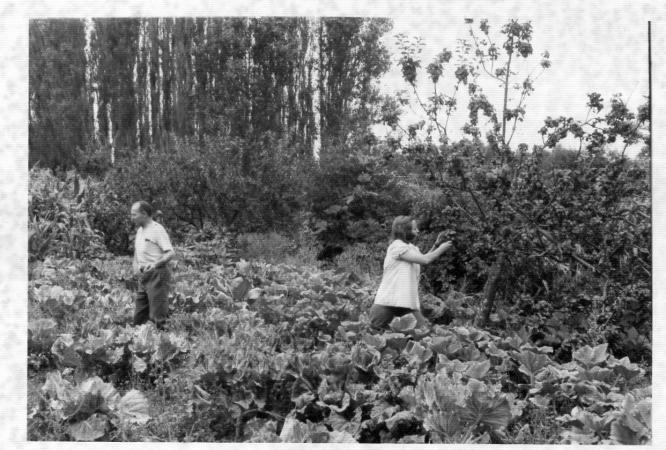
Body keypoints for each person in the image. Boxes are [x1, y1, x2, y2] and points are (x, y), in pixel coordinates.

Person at [369, 215, 452, 330]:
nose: (417, 231)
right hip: (387, 303)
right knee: (376, 336)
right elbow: (426, 260)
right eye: (414, 229)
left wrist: (436, 245)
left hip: (406, 303)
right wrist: (442, 248)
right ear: (404, 230)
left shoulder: (410, 247)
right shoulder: (397, 246)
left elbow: (423, 258)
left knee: (423, 333)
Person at [130, 201, 175, 329]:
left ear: (144, 213)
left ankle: (163, 339)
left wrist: (155, 264)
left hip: (158, 275)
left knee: (157, 317)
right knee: (139, 318)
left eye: (134, 215)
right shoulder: (140, 230)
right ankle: (140, 339)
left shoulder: (157, 229)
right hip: (144, 276)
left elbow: (170, 253)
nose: (132, 218)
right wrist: (135, 265)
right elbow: (137, 251)